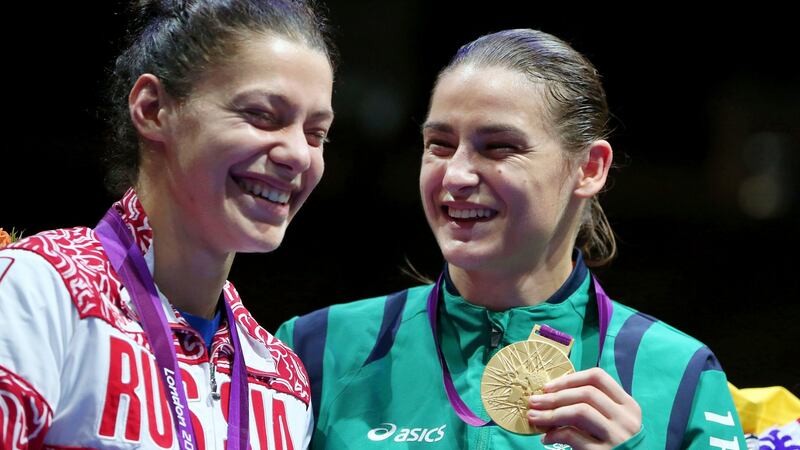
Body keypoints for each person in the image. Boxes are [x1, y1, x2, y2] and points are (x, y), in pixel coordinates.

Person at [277, 29, 746, 449]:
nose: (456, 175)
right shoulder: (316, 350)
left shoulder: (681, 375)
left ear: (590, 168)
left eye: (499, 146)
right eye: (439, 144)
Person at [0, 1, 334, 448]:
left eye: (316, 134)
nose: (297, 153)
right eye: (261, 115)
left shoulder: (283, 382)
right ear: (154, 108)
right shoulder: (42, 293)